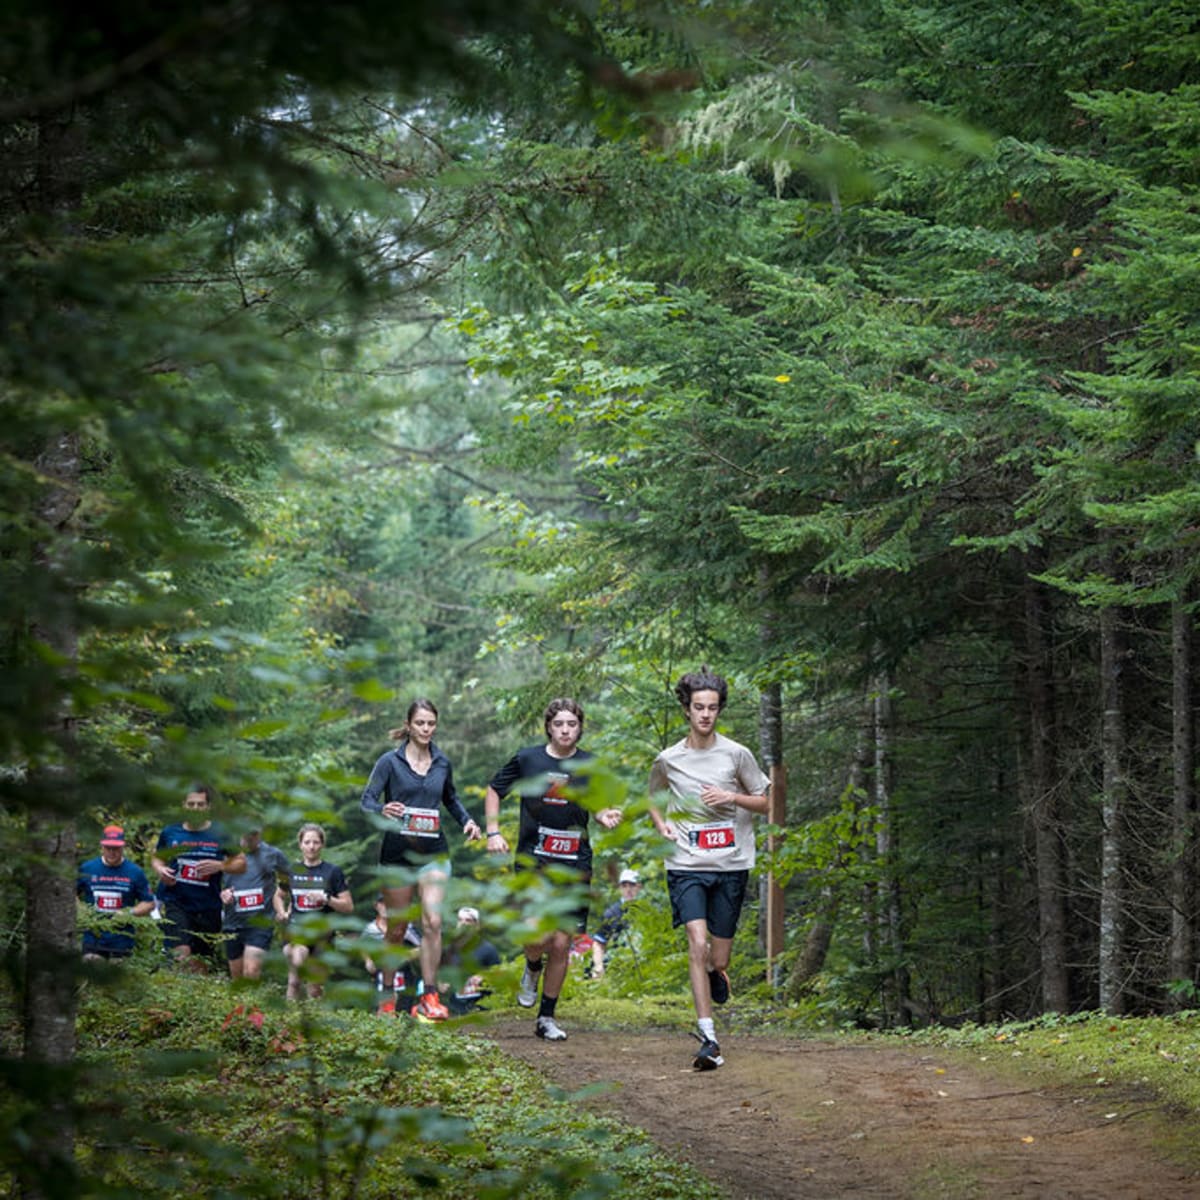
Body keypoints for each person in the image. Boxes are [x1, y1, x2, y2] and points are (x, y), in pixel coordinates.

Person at [649, 668, 770, 1071]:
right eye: (699, 707)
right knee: (695, 943)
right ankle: (709, 1038)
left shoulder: (737, 754)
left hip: (731, 864)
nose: (706, 715)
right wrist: (662, 824)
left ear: (720, 710)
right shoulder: (668, 759)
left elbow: (766, 802)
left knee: (717, 956)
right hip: (685, 863)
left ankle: (719, 972)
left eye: (713, 708)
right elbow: (652, 798)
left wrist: (731, 797)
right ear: (687, 709)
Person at [484, 696, 622, 1041]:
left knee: (562, 942)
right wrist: (493, 832)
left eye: (571, 724)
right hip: (535, 858)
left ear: (580, 727)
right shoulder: (528, 758)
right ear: (549, 726)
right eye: (559, 724)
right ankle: (532, 966)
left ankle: (546, 1017)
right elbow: (494, 789)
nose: (565, 730)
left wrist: (605, 815)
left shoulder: (590, 764)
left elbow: (601, 803)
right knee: (537, 934)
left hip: (576, 861)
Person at [360, 699, 482, 1020]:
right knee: (397, 930)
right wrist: (381, 809)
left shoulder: (442, 762)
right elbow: (367, 800)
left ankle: (429, 997)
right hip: (398, 856)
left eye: (431, 724)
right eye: (421, 723)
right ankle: (387, 998)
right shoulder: (389, 762)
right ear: (409, 725)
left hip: (434, 854)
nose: (426, 729)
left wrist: (467, 821)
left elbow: (451, 799)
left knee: (433, 921)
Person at [151, 786, 246, 971]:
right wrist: (160, 869)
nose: (195, 808)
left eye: (200, 804)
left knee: (201, 964)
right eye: (191, 804)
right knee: (182, 954)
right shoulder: (171, 832)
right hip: (176, 901)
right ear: (184, 805)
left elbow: (241, 863)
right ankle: (177, 992)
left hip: (207, 906)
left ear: (208, 806)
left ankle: (190, 996)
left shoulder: (221, 833)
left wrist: (220, 866)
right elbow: (157, 857)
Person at [282, 823, 354, 1001]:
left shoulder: (333, 872)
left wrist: (327, 899)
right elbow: (278, 895)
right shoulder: (292, 871)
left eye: (315, 842)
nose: (311, 846)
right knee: (294, 979)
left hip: (323, 937)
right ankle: (285, 1023)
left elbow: (348, 906)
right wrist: (282, 912)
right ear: (300, 844)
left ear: (322, 844)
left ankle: (311, 1024)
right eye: (307, 842)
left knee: (315, 990)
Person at [220, 826, 289, 981]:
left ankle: (252, 1005)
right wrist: (222, 894)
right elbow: (214, 883)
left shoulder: (273, 854)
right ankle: (244, 1006)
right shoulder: (226, 853)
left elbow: (289, 880)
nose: (250, 838)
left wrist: (281, 903)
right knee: (238, 979)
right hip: (233, 922)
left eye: (253, 834)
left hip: (260, 923)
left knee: (251, 971)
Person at [77, 825, 155, 961]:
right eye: (108, 848)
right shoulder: (87, 868)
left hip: (122, 940)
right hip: (93, 939)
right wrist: (81, 909)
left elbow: (149, 903)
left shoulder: (135, 872)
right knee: (92, 974)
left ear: (123, 847)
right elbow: (69, 893)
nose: (112, 852)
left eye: (116, 848)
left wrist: (129, 913)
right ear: (102, 847)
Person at [361, 892, 422, 1013]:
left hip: (403, 975)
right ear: (376, 906)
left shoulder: (405, 927)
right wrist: (368, 961)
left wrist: (407, 955)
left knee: (403, 1011)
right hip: (380, 975)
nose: (386, 907)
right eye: (382, 903)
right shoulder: (370, 928)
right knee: (382, 1010)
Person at [445, 906, 501, 1014]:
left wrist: (485, 976)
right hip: (455, 1010)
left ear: (476, 925)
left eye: (468, 921)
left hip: (482, 1010)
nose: (463, 923)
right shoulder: (448, 950)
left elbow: (499, 975)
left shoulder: (488, 949)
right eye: (460, 920)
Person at [591, 867, 642, 979]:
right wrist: (598, 966)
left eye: (632, 885)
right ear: (619, 888)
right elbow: (598, 942)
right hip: (618, 965)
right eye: (624, 886)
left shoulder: (648, 910)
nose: (628, 890)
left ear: (639, 887)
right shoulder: (612, 913)